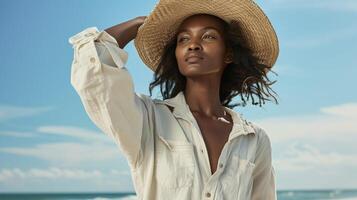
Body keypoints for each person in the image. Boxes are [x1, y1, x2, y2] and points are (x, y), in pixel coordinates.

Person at [68, 0, 279, 199]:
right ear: (176, 53)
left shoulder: (253, 139)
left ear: (229, 53)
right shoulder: (148, 120)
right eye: (183, 39)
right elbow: (93, 72)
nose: (193, 45)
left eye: (208, 36)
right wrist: (141, 23)